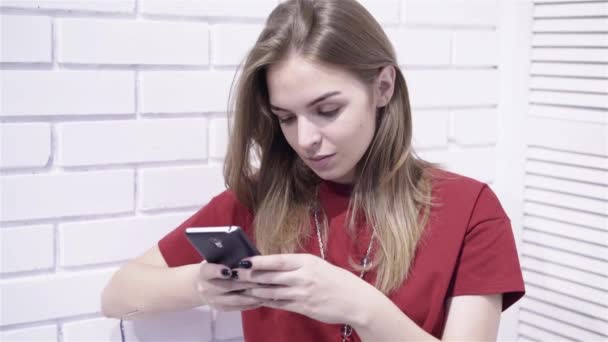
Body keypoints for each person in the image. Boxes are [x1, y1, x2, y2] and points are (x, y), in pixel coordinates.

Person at [101, 0, 525, 340]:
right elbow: (118, 294)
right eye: (286, 117)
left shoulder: (469, 210)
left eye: (327, 110)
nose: (305, 139)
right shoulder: (260, 200)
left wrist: (361, 307)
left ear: (383, 87)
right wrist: (202, 284)